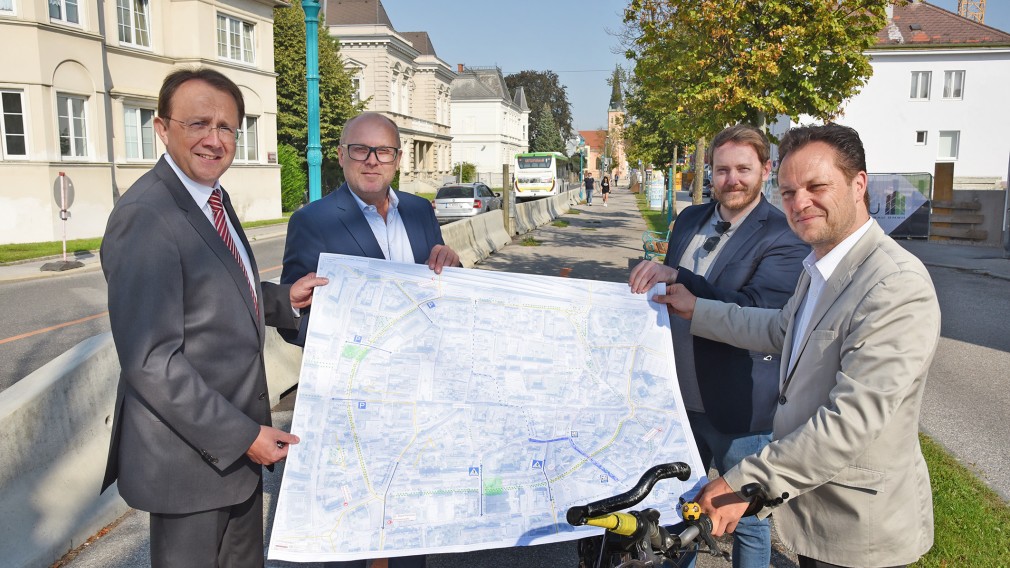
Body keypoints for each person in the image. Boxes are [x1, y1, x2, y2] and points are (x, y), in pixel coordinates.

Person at [658, 123, 940, 568]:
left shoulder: (894, 284)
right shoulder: (821, 266)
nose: (799, 203)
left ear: (858, 184)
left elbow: (851, 421)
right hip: (815, 512)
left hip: (859, 529)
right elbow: (778, 329)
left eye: (816, 186)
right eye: (788, 192)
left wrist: (746, 478)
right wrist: (698, 310)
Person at [100, 67, 327, 567]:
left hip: (235, 454)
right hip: (192, 459)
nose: (214, 139)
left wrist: (286, 298)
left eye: (226, 127)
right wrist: (244, 437)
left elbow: (221, 291)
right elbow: (151, 361)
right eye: (198, 123)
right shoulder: (147, 215)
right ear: (162, 128)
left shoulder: (211, 200)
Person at [280, 112, 458, 568]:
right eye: (361, 149)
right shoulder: (312, 221)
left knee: (407, 529)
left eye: (384, 151)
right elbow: (291, 317)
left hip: (417, 399)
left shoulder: (419, 211)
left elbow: (439, 299)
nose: (372, 160)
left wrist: (451, 271)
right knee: (355, 535)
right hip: (354, 402)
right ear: (341, 156)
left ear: (397, 159)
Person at [628, 124, 808, 568]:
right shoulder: (689, 219)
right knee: (677, 507)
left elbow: (758, 309)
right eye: (722, 169)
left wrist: (681, 279)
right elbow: (665, 299)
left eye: (743, 169)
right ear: (710, 171)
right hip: (678, 399)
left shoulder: (783, 233)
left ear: (766, 170)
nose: (732, 180)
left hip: (737, 405)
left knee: (744, 517)